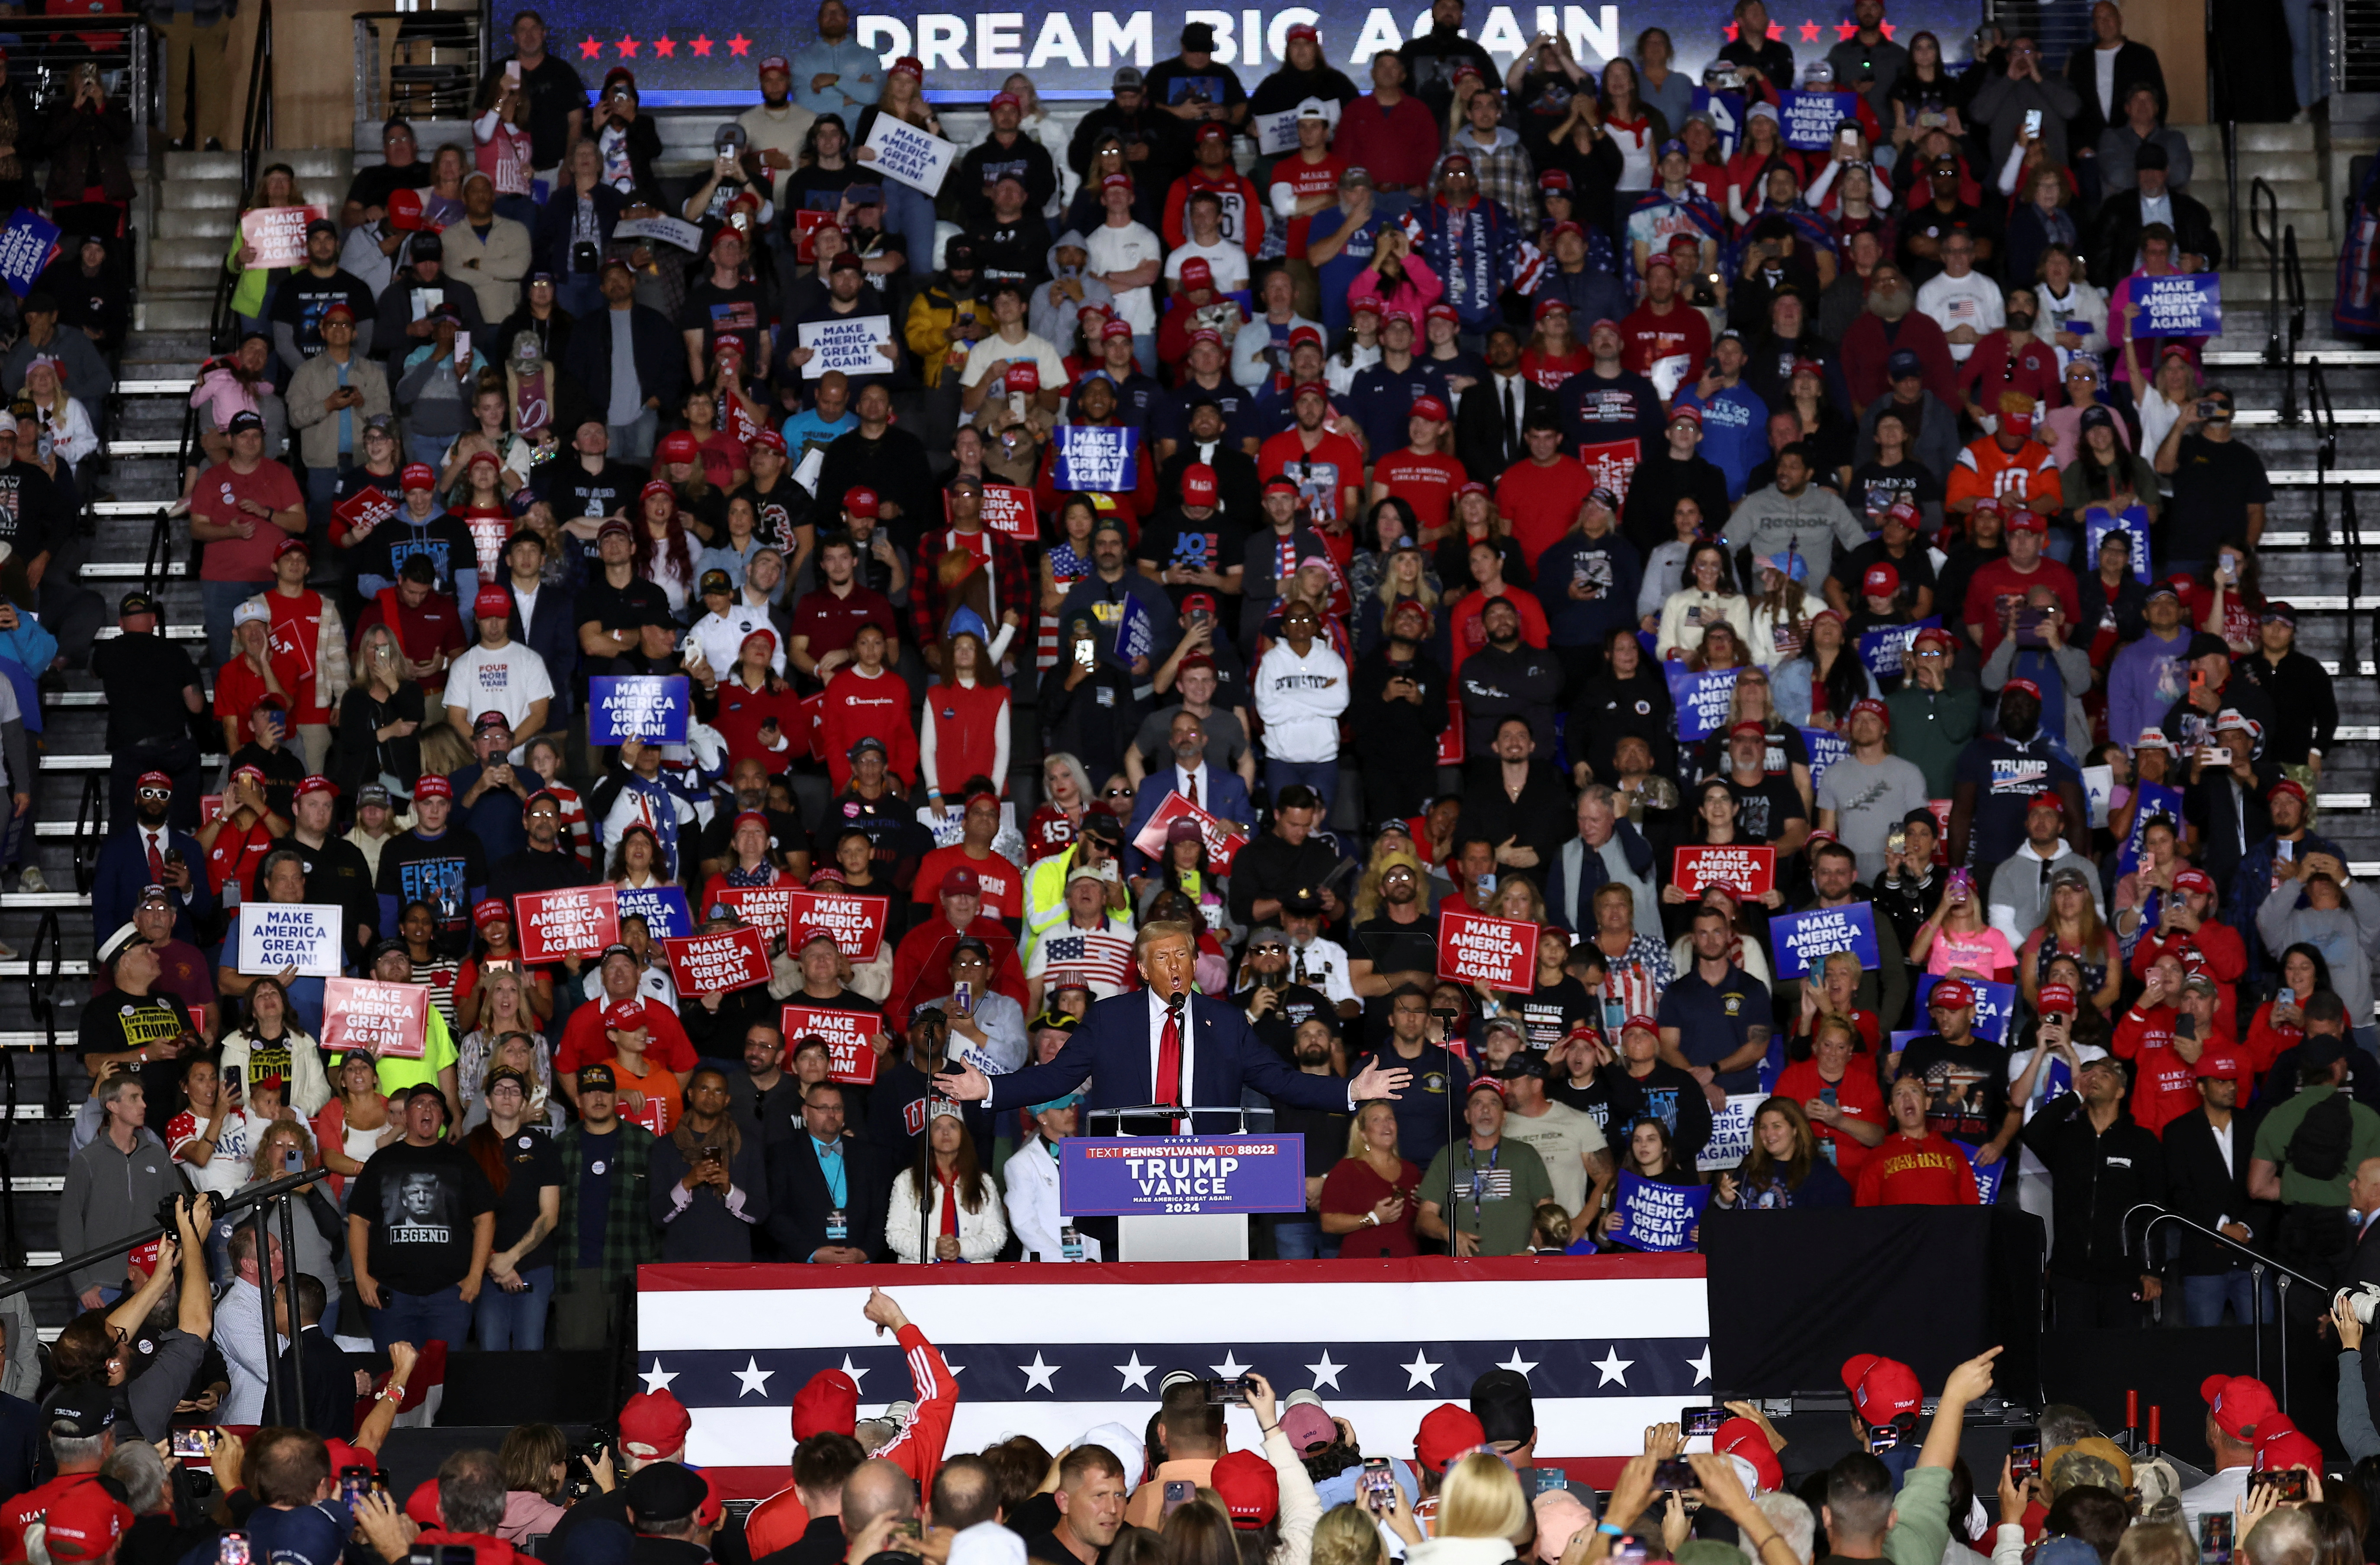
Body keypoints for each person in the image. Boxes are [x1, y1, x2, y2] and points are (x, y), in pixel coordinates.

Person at [344, 1083, 498, 1352]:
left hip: (450, 1295)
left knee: (441, 1383)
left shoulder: (462, 1162)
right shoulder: (382, 1162)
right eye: (419, 1104)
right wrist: (361, 1276)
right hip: (391, 1296)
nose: (427, 1109)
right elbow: (358, 1220)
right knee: (393, 1382)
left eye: (435, 1105)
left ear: (442, 1117)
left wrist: (475, 1276)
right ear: (405, 1116)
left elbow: (485, 1217)